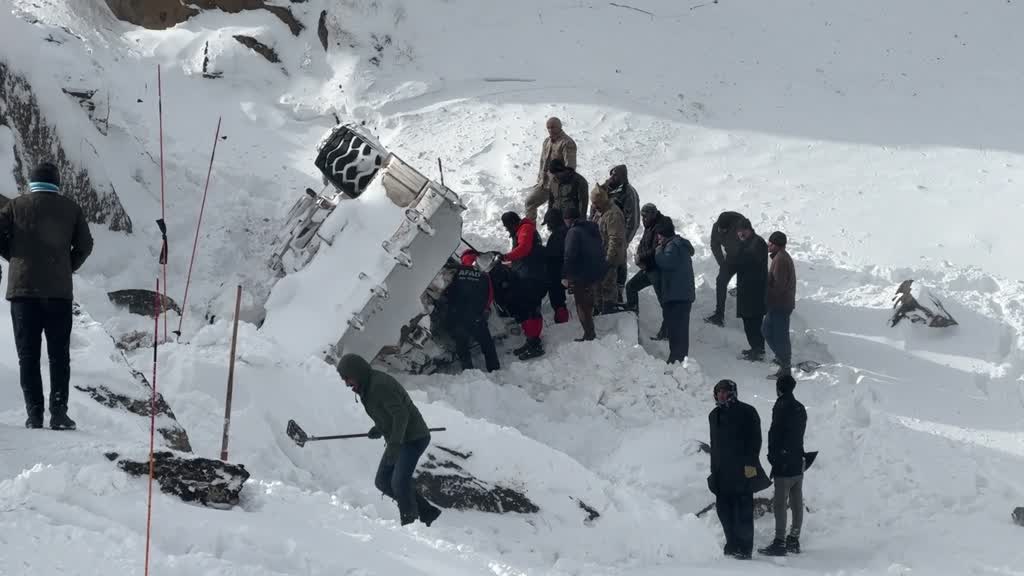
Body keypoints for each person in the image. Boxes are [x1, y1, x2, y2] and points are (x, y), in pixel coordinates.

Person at [0, 162, 93, 430]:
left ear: (31, 183)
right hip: (58, 295)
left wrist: (14, 257)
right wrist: (67, 266)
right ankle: (59, 413)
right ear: (57, 183)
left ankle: (34, 414)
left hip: (23, 293)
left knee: (27, 356)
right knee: (58, 355)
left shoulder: (16, 206)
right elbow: (86, 245)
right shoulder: (71, 208)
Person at [337, 353, 442, 527]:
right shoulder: (367, 387)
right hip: (400, 438)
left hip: (413, 438)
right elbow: (388, 413)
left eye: (348, 378)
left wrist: (394, 446)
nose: (347, 383)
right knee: (383, 481)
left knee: (399, 481)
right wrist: (379, 428)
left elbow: (401, 415)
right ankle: (427, 512)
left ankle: (410, 522)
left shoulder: (379, 385)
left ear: (357, 372)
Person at [708, 379, 771, 560]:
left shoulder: (747, 411)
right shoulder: (714, 415)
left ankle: (744, 549)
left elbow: (755, 440)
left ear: (733, 392)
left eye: (725, 391)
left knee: (742, 511)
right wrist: (714, 470)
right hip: (721, 472)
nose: (721, 394)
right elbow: (714, 445)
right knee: (724, 510)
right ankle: (731, 544)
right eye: (718, 391)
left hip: (742, 470)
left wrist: (750, 465)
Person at [759, 374, 807, 557]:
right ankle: (794, 540)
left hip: (783, 464)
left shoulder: (780, 406)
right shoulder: (800, 408)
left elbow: (775, 433)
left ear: (779, 387)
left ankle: (779, 542)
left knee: (780, 504)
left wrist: (773, 456)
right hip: (798, 461)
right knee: (796, 502)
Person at [500, 211, 547, 359]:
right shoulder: (523, 229)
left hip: (532, 276)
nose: (507, 230)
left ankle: (535, 345)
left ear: (513, 223)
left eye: (507, 227)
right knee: (528, 308)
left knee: (532, 309)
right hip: (528, 274)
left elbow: (524, 249)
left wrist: (506, 256)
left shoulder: (525, 229)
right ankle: (531, 340)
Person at [443, 251, 500, 372]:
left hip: (457, 314)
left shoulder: (456, 271)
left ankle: (468, 370)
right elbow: (489, 295)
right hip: (476, 315)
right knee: (487, 344)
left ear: (463, 259)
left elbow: (446, 291)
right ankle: (494, 369)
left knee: (462, 344)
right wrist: (484, 309)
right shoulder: (484, 274)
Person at [626, 203, 673, 338]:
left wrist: (641, 257)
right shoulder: (649, 225)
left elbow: (658, 249)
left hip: (658, 269)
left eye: (645, 216)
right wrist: (639, 257)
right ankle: (632, 317)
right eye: (642, 217)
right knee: (631, 286)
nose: (643, 219)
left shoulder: (663, 226)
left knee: (664, 301)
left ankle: (668, 330)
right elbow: (643, 243)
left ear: (653, 214)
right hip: (648, 268)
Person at [594, 165, 640, 302]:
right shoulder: (605, 188)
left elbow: (633, 221)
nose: (612, 177)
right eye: (612, 174)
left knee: (619, 262)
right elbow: (595, 205)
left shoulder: (629, 193)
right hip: (602, 232)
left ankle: (618, 291)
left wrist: (624, 241)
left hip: (619, 233)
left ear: (623, 177)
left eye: (616, 175)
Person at [561, 206, 606, 341]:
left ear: (568, 220)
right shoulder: (592, 227)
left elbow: (569, 256)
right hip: (596, 271)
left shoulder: (573, 232)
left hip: (581, 273)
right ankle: (590, 329)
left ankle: (589, 334)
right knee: (588, 299)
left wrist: (565, 276)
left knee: (581, 304)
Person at [653, 221, 695, 363]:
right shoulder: (679, 244)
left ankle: (677, 358)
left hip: (677, 295)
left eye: (659, 237)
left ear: (664, 236)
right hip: (681, 294)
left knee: (677, 329)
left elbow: (666, 262)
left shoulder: (673, 246)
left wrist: (658, 251)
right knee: (677, 328)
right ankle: (677, 357)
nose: (658, 240)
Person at [524, 117, 578, 221]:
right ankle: (531, 233)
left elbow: (570, 168)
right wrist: (540, 179)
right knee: (529, 202)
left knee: (557, 216)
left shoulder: (567, 143)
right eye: (548, 128)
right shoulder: (546, 142)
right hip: (544, 184)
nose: (550, 130)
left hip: (559, 186)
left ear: (560, 127)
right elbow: (542, 161)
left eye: (553, 127)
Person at [734, 218, 769, 361]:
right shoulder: (748, 242)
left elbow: (750, 261)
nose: (740, 234)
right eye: (738, 231)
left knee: (754, 322)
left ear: (749, 229)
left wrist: (737, 256)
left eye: (742, 231)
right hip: (747, 290)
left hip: (755, 291)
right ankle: (755, 348)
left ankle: (759, 350)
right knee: (748, 322)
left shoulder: (757, 243)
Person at [704, 211, 747, 327]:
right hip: (730, 258)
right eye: (720, 229)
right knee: (721, 281)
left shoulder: (742, 228)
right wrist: (722, 263)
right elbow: (715, 245)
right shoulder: (716, 227)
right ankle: (719, 315)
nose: (721, 231)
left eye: (724, 230)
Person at [764, 231, 796, 378]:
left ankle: (785, 367)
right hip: (778, 304)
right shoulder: (779, 257)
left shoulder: (781, 260)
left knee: (780, 336)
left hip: (780, 305)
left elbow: (778, 286)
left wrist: (763, 290)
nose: (768, 245)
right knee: (767, 330)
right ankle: (782, 359)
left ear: (776, 245)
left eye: (770, 243)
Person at [589, 184, 626, 314]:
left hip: (608, 258)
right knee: (597, 288)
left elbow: (614, 240)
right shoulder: (601, 212)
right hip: (599, 257)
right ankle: (600, 313)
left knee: (607, 289)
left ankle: (608, 316)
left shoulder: (612, 215)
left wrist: (608, 260)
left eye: (596, 203)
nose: (594, 206)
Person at [542, 207, 570, 324]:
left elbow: (552, 255)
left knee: (556, 295)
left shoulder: (557, 235)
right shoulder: (565, 231)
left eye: (548, 223)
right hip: (565, 269)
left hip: (558, 272)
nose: (547, 227)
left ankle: (561, 318)